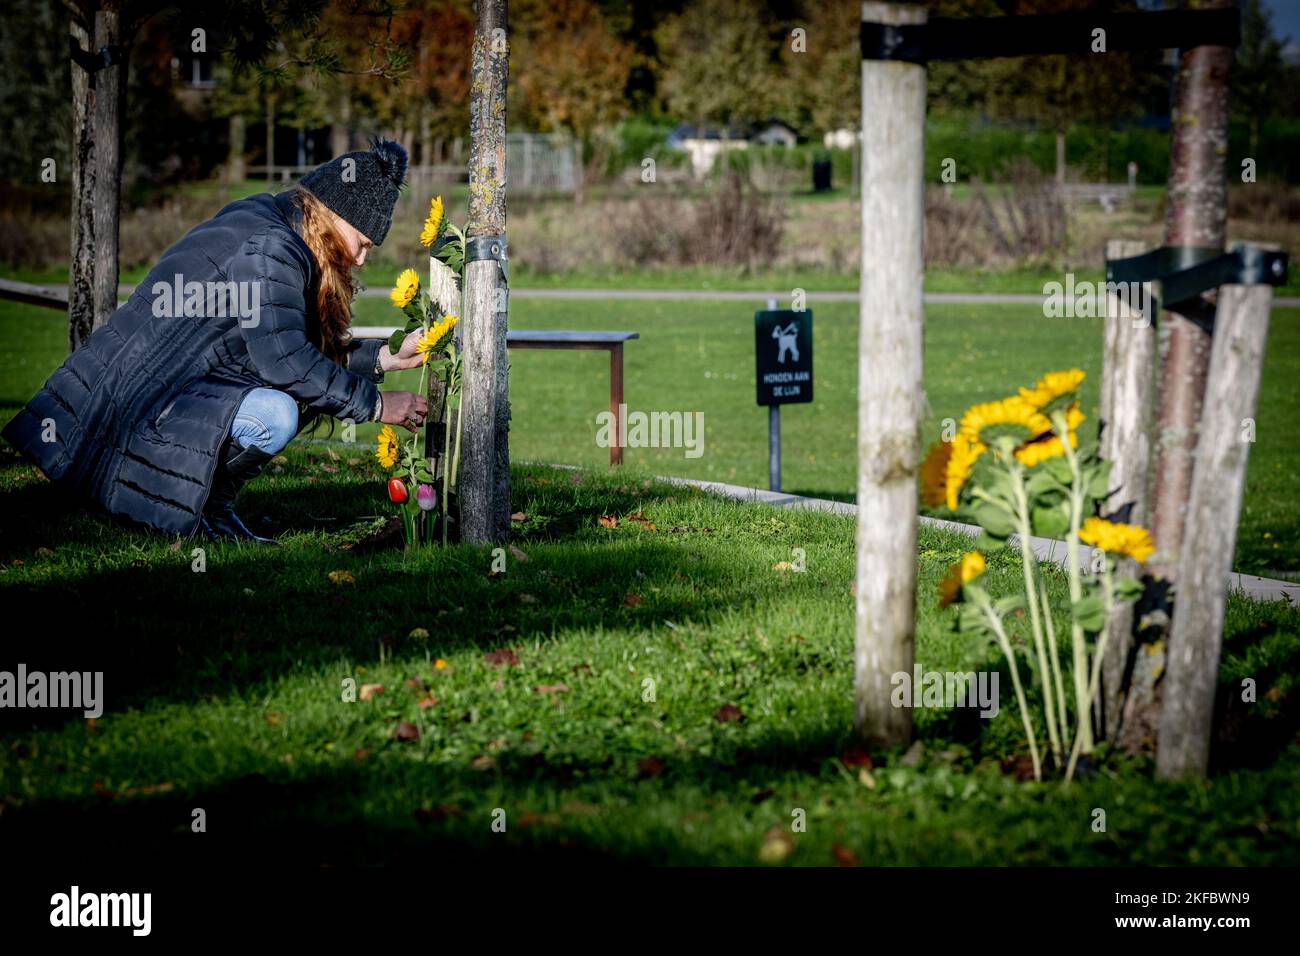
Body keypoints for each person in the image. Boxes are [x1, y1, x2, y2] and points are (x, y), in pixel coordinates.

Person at [1, 137, 430, 544]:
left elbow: (285, 347)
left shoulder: (271, 221)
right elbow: (287, 363)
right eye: (362, 243)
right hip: (144, 406)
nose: (360, 258)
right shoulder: (271, 249)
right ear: (336, 215)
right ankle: (199, 507)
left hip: (153, 393)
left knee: (293, 395)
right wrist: (377, 404)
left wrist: (388, 357)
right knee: (278, 412)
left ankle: (206, 507)